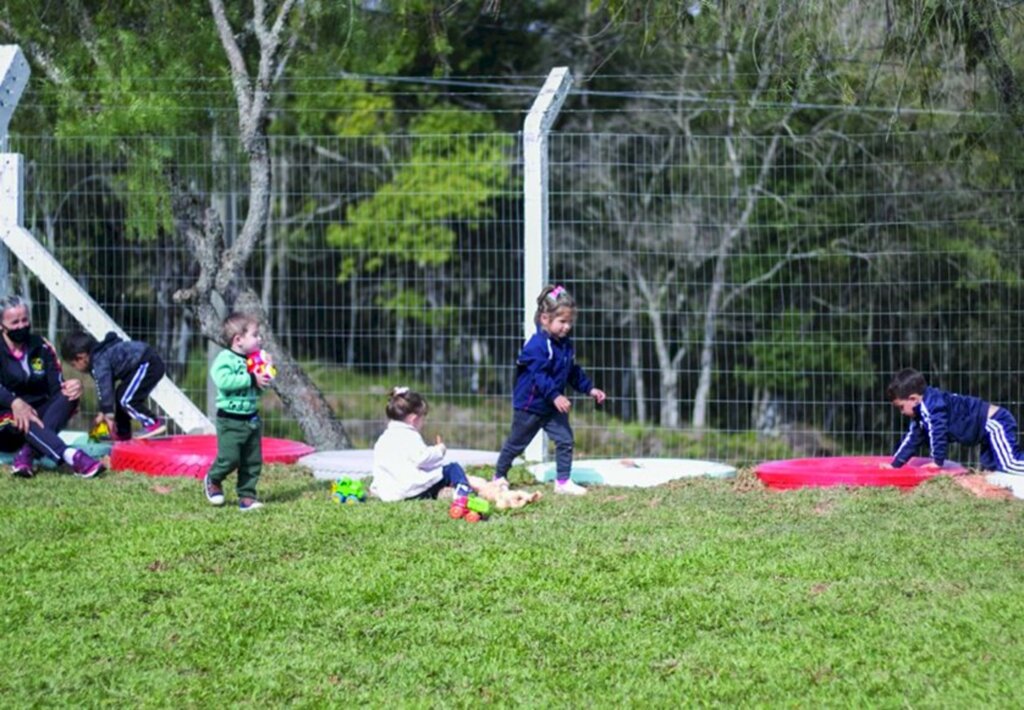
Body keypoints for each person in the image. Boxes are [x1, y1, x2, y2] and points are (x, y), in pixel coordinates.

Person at [492, 284, 606, 496]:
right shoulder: (536, 345)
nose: (567, 327)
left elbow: (572, 371)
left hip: (552, 406)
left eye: (570, 322)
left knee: (565, 440)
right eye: (562, 322)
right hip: (530, 406)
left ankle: (562, 482)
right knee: (516, 444)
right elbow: (539, 376)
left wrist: (589, 388)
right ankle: (499, 477)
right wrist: (555, 395)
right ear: (545, 319)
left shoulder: (565, 345)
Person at [0, 295, 104, 478]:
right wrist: (15, 402)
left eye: (24, 320)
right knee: (22, 416)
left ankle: (27, 454)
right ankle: (71, 456)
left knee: (68, 396)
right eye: (14, 322)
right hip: (6, 421)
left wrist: (74, 386)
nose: (21, 326)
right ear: (2, 325)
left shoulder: (42, 346)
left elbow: (57, 388)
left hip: (39, 419)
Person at [884, 367, 1024, 473]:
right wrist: (895, 464)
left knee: (1010, 464)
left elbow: (938, 431)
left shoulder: (932, 406)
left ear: (913, 399)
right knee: (993, 467)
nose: (902, 413)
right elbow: (912, 439)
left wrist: (937, 461)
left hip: (994, 422)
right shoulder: (921, 413)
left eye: (901, 407)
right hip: (984, 431)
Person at [202, 313, 273, 511]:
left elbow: (258, 388)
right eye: (255, 335)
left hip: (251, 418)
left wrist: (265, 371)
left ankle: (247, 497)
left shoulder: (253, 360)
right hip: (230, 421)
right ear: (238, 340)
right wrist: (251, 378)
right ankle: (213, 479)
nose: (260, 339)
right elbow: (223, 381)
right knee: (230, 458)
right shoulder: (225, 358)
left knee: (252, 461)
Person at [371, 387, 475, 509]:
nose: (423, 423)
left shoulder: (382, 439)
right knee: (452, 468)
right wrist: (439, 450)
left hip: (390, 494)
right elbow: (422, 458)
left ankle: (445, 492)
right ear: (414, 419)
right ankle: (463, 492)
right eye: (423, 418)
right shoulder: (409, 436)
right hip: (411, 491)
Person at [61, 330, 167, 441]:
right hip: (141, 365)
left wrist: (108, 413)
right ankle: (122, 434)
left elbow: (105, 386)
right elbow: (106, 388)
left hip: (147, 364)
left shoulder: (99, 362)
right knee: (120, 395)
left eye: (73, 365)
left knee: (126, 400)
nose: (75, 369)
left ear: (81, 357)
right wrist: (103, 411)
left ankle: (153, 423)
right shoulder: (100, 355)